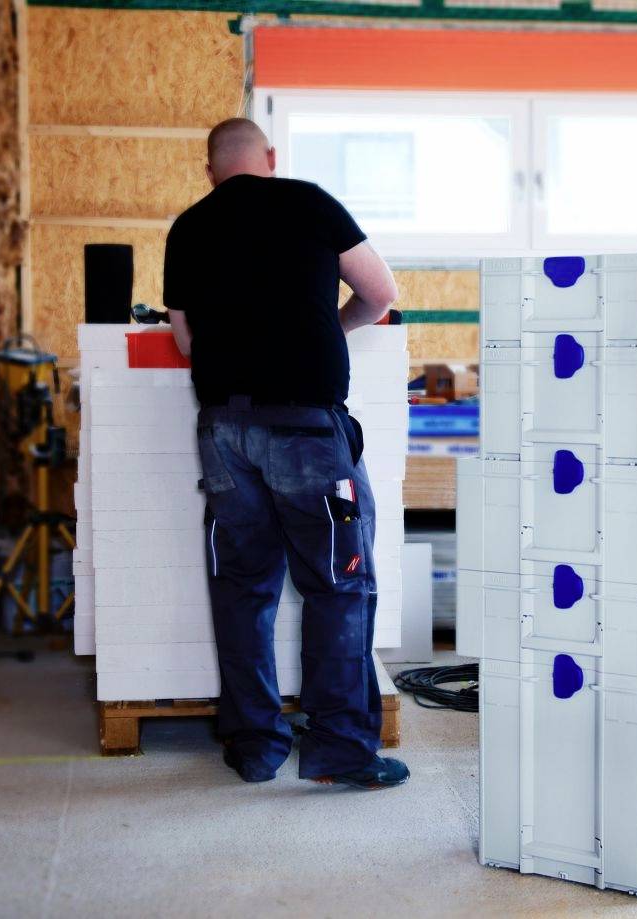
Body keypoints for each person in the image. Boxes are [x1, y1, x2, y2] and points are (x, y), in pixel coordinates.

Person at [163, 118, 408, 790]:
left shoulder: (188, 228)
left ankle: (255, 747)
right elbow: (381, 294)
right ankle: (339, 750)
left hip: (225, 431)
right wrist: (330, 324)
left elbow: (184, 341)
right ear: (269, 157)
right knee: (338, 587)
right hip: (306, 428)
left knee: (243, 591)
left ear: (210, 169)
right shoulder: (309, 202)